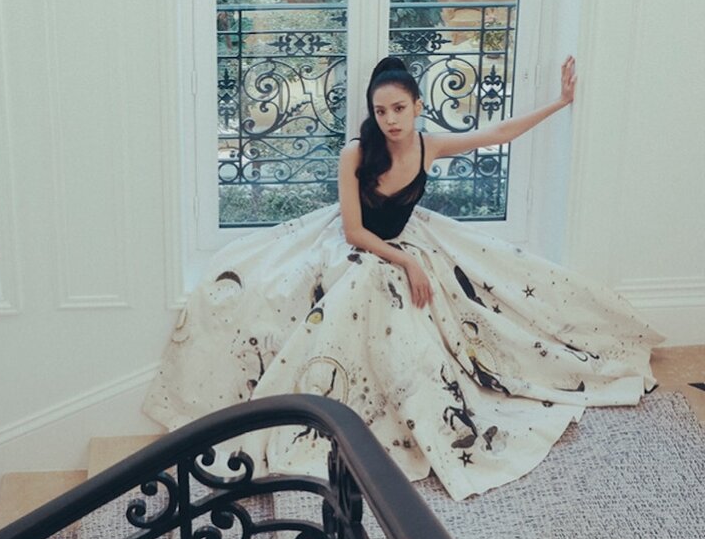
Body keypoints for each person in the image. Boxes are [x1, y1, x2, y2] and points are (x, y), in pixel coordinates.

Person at [144, 55, 663, 501]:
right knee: (355, 292)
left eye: (398, 108)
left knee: (480, 299)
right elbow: (353, 231)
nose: (390, 120)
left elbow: (497, 134)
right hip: (355, 246)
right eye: (380, 111)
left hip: (401, 243)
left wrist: (560, 102)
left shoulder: (428, 146)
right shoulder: (356, 153)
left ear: (417, 106)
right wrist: (407, 262)